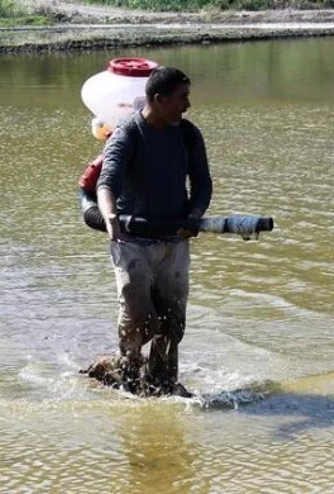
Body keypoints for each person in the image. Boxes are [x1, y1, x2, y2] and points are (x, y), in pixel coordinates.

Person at [96, 66, 212, 397]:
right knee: (141, 318)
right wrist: (110, 215)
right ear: (159, 100)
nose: (187, 105)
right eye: (182, 98)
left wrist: (194, 214)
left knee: (172, 321)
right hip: (132, 241)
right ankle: (129, 373)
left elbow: (202, 182)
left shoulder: (188, 134)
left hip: (175, 240)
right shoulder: (128, 135)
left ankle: (162, 381)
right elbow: (106, 183)